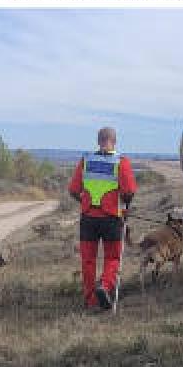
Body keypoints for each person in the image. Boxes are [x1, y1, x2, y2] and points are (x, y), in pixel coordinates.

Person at [68, 126, 137, 311]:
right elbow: (129, 191)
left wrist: (84, 202)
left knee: (88, 260)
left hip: (88, 218)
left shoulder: (86, 160)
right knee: (112, 258)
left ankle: (90, 301)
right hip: (112, 218)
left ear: (98, 141)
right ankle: (105, 287)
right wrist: (125, 203)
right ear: (114, 141)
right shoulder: (121, 162)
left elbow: (73, 190)